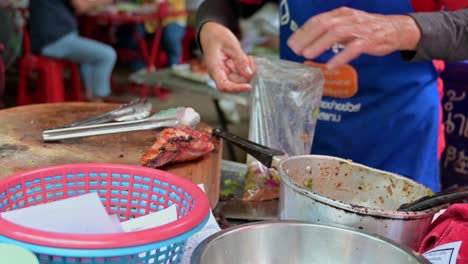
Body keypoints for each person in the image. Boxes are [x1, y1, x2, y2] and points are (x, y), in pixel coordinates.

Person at [194, 0, 468, 192]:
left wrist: (403, 29)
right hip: (300, 140)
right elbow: (225, 4)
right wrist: (212, 27)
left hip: (396, 144)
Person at [29, 0, 117, 101]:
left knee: (91, 56)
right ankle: (98, 99)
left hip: (53, 38)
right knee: (107, 55)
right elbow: (81, 5)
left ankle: (91, 97)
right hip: (53, 41)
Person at [117, 0, 187, 71]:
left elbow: (165, 8)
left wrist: (136, 9)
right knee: (128, 35)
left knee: (170, 38)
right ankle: (141, 70)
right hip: (148, 20)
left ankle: (174, 67)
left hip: (173, 18)